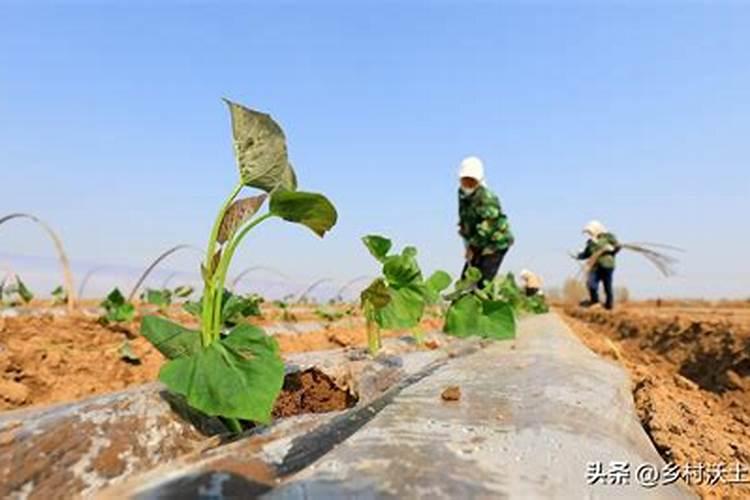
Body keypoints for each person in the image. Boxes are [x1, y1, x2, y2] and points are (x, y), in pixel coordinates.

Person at [457, 156, 514, 288]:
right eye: (465, 180)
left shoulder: (487, 198)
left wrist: (471, 248)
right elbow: (464, 215)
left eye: (472, 181)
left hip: (495, 243)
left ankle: (482, 305)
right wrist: (464, 230)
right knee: (466, 280)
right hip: (476, 242)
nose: (468, 184)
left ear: (479, 180)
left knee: (482, 283)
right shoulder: (462, 194)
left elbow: (487, 228)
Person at [576, 220, 621, 310]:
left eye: (590, 231)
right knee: (591, 283)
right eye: (588, 232)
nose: (589, 233)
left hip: (607, 265)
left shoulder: (608, 237)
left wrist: (612, 249)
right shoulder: (590, 242)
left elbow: (618, 246)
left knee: (607, 286)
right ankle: (595, 301)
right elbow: (587, 254)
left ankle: (609, 306)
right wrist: (578, 256)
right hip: (595, 266)